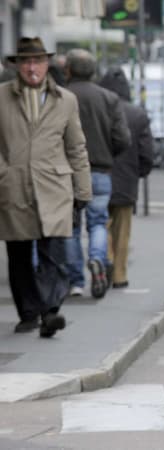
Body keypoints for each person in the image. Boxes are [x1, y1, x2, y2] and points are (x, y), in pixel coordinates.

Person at [0, 37, 92, 337]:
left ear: (47, 64)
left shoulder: (65, 100)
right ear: (16, 66)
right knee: (19, 255)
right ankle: (29, 313)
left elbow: (76, 147)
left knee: (54, 253)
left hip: (53, 186)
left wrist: (82, 190)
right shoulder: (1, 98)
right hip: (13, 187)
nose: (31, 68)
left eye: (37, 61)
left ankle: (50, 312)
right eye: (25, 62)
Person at [64, 49, 130, 299]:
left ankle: (76, 282)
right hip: (101, 170)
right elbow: (123, 138)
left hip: (68, 171)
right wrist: (107, 154)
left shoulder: (62, 97)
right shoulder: (109, 98)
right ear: (93, 72)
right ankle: (97, 259)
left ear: (68, 70)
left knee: (70, 226)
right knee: (98, 222)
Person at [98, 67, 154, 289]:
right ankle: (120, 274)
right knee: (122, 230)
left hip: (98, 175)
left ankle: (106, 260)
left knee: (99, 224)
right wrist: (140, 172)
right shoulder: (137, 115)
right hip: (127, 181)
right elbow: (147, 151)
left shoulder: (97, 109)